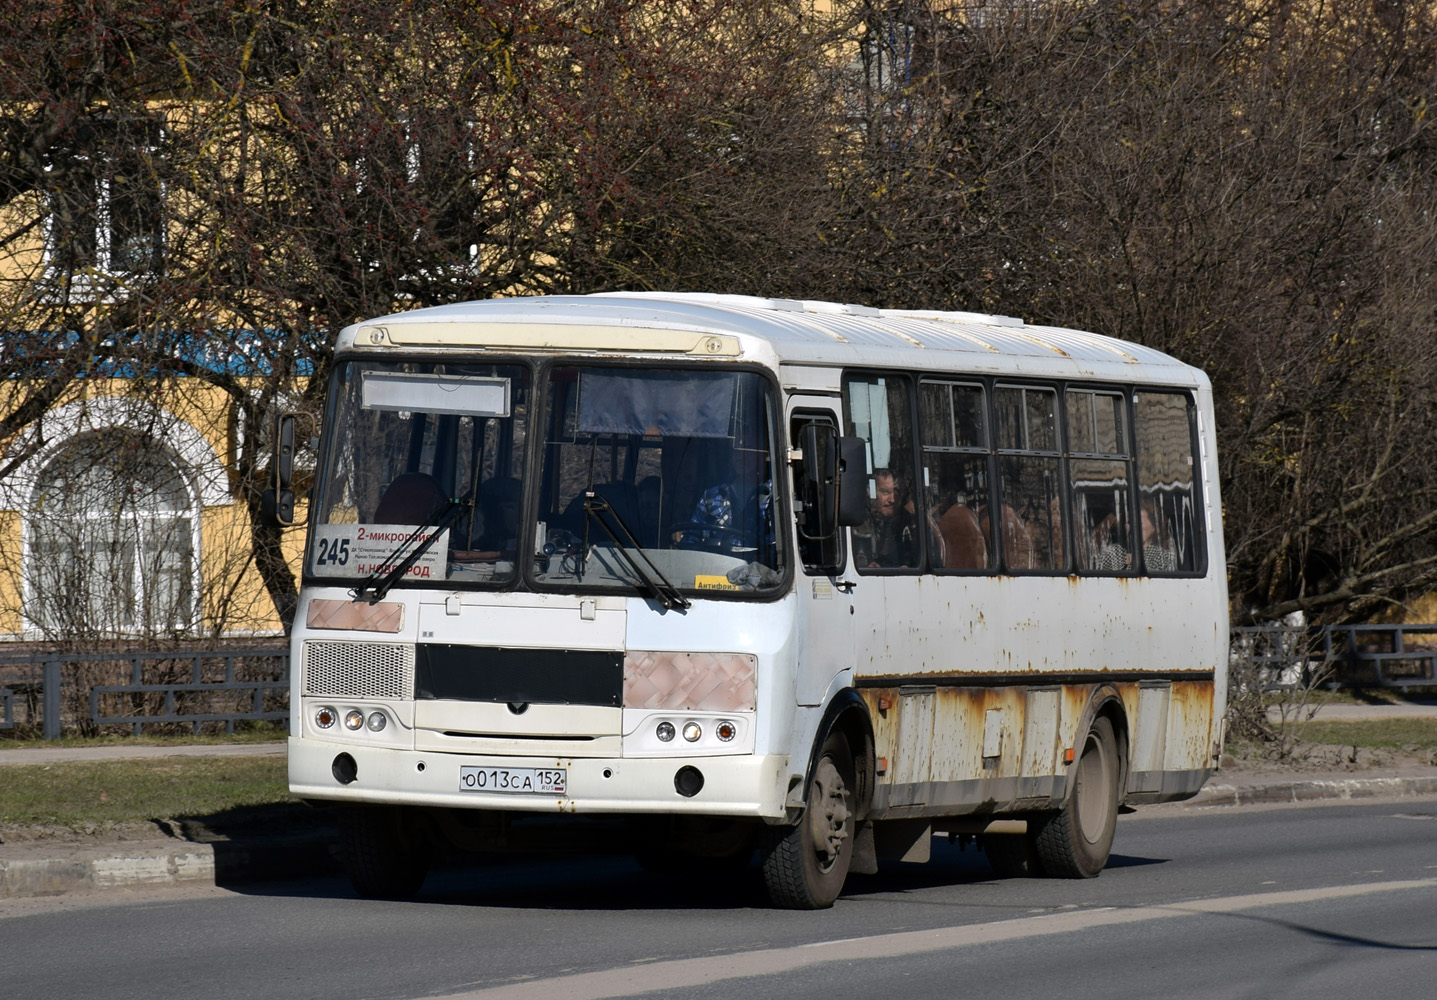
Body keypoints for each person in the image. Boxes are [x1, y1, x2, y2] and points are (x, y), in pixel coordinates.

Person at [855, 468, 918, 568]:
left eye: (897, 493)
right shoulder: (857, 521)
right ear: (870, 491)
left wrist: (909, 567)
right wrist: (866, 566)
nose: (892, 499)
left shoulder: (911, 523)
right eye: (885, 492)